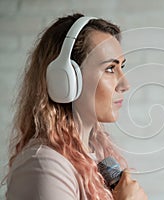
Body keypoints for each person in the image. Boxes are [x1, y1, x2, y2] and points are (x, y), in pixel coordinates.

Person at [5, 13, 147, 200]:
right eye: (110, 69)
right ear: (66, 79)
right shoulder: (44, 167)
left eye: (122, 67)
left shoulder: (97, 154)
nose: (125, 84)